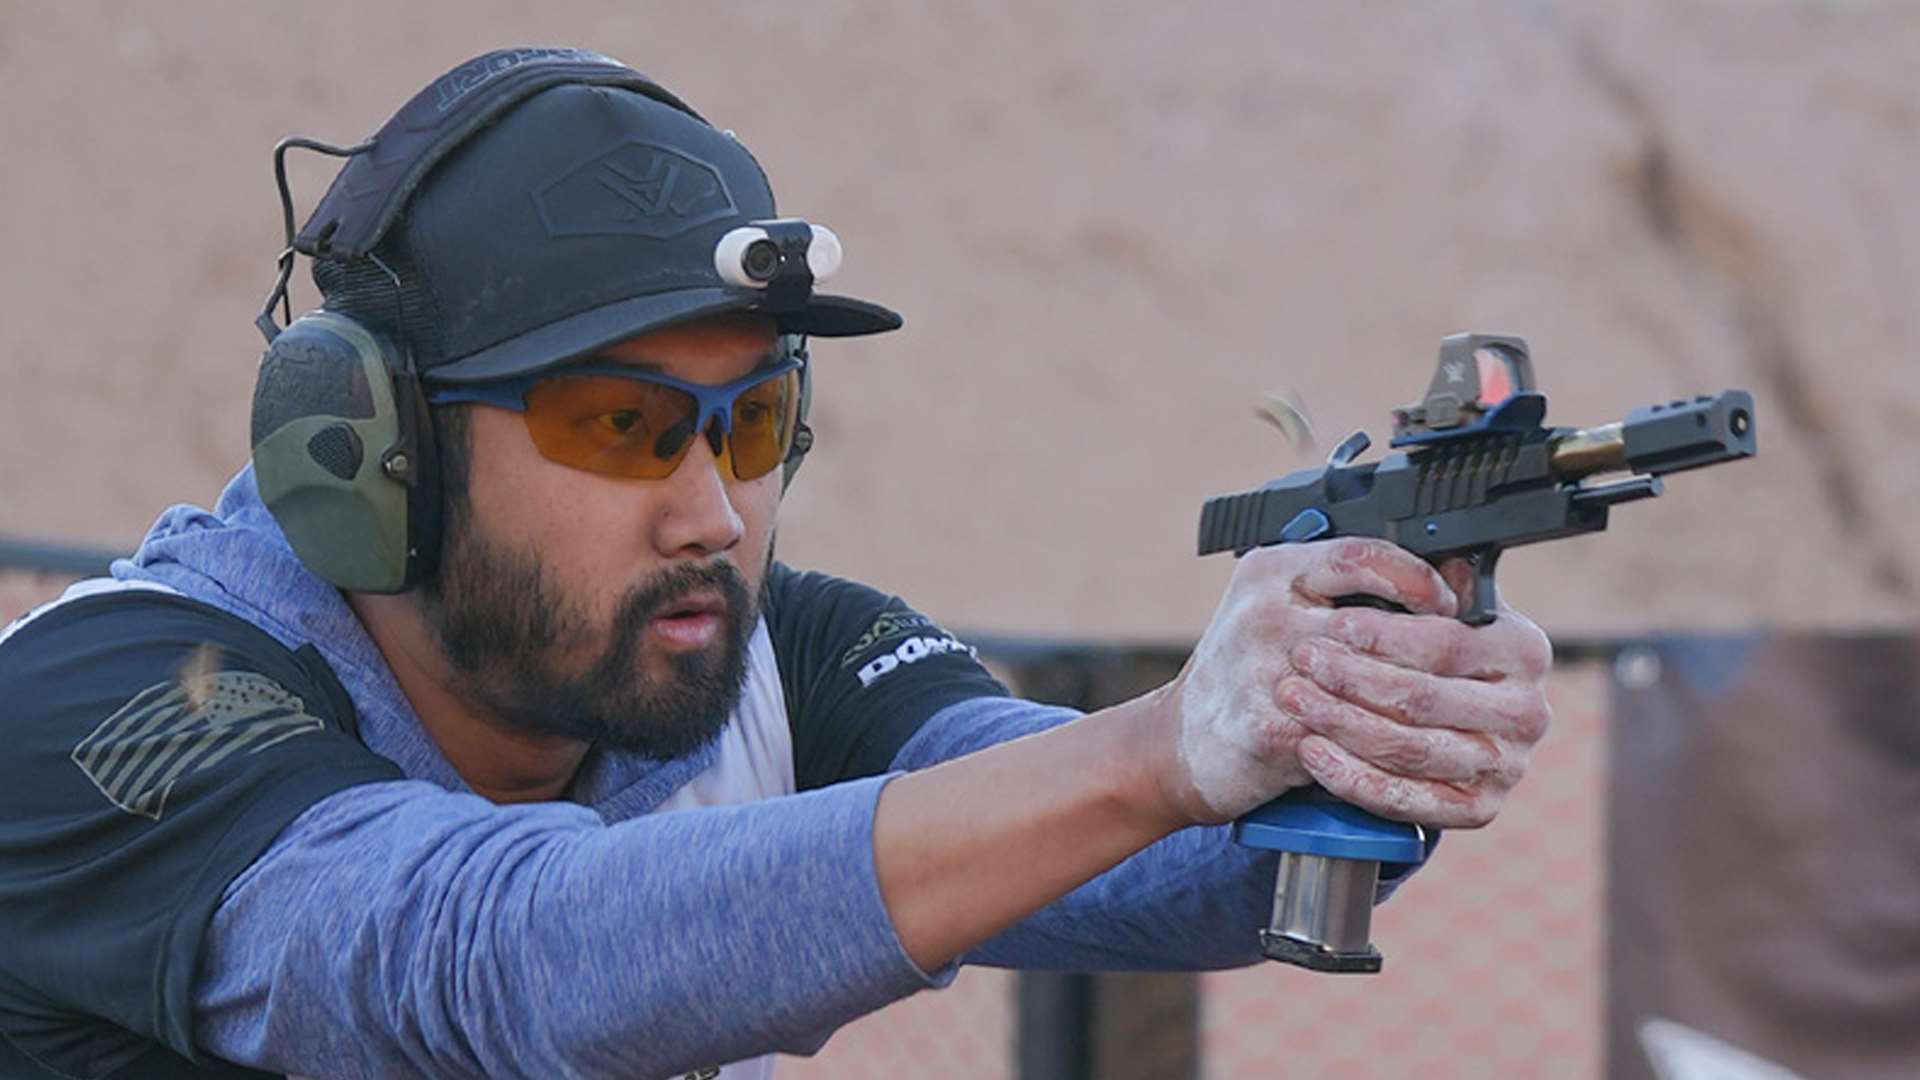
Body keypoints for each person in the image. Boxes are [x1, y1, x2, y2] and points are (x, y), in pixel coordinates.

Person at [0, 47, 1553, 1080]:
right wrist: (1166, 748)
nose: (713, 515)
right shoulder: (117, 701)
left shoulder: (759, 655)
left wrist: (1346, 715)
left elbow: (1131, 855)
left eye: (753, 425)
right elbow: (504, 963)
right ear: (365, 448)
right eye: (621, 425)